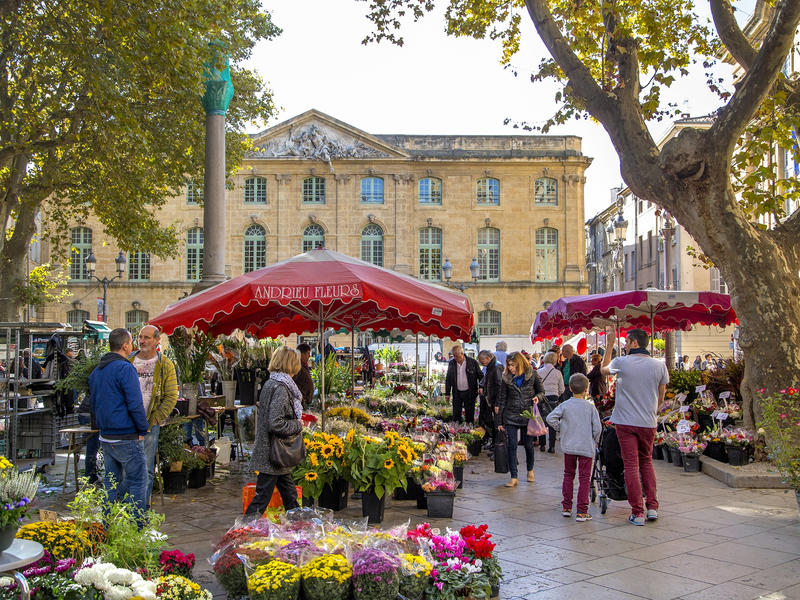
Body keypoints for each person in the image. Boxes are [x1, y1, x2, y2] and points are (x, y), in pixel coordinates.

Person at [601, 328, 668, 526]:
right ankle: (652, 506)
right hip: (648, 422)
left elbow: (603, 369)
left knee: (631, 465)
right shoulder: (659, 365)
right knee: (646, 462)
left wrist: (610, 343)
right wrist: (651, 412)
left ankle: (638, 512)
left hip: (625, 421)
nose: (625, 344)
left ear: (634, 343)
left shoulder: (622, 362)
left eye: (627, 341)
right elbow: (662, 397)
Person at [89, 328, 149, 523]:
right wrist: (142, 428)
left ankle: (108, 523)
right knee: (138, 481)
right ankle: (137, 527)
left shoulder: (97, 372)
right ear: (125, 346)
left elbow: (94, 403)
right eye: (131, 342)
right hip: (126, 435)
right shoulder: (125, 368)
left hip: (106, 435)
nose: (133, 346)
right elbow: (135, 403)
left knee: (111, 482)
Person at [246, 346, 304, 516]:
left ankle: (299, 528)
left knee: (290, 496)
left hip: (275, 453)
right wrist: (298, 424)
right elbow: (276, 423)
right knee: (262, 499)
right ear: (291, 364)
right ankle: (242, 532)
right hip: (274, 453)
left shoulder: (271, 383)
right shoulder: (280, 388)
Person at [130, 325, 178, 509]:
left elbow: (171, 395)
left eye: (147, 337)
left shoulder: (164, 364)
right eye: (140, 337)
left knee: (147, 469)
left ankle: (142, 509)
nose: (142, 340)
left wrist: (157, 418)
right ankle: (128, 509)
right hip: (127, 424)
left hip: (149, 424)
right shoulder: (130, 360)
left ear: (157, 341)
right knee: (128, 469)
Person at [546, 373, 601, 522]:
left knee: (568, 475)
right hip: (585, 447)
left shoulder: (565, 405)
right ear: (586, 389)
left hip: (569, 446)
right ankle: (582, 510)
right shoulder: (590, 408)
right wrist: (594, 440)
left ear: (569, 388)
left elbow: (550, 418)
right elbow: (597, 428)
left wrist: (561, 428)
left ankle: (567, 507)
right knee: (584, 478)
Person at [496, 352, 544, 486]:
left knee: (529, 445)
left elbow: (541, 391)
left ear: (520, 363)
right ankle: (514, 476)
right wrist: (499, 421)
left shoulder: (532, 375)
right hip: (511, 414)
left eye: (513, 365)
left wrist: (537, 398)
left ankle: (530, 469)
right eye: (509, 365)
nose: (510, 368)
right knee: (512, 445)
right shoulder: (506, 378)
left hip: (527, 414)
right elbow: (502, 399)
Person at [444, 345, 482, 423]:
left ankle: (469, 429)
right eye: (454, 356)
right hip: (457, 392)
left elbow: (481, 376)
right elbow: (448, 379)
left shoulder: (472, 362)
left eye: (457, 356)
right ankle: (456, 431)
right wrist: (447, 393)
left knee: (469, 414)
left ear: (462, 354)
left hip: (470, 392)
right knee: (456, 414)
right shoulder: (452, 363)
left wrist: (481, 387)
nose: (455, 358)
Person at [537, 351, 565, 453]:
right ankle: (552, 446)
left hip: (542, 398)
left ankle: (542, 444)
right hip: (553, 398)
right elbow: (561, 389)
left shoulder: (539, 372)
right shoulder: (558, 373)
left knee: (541, 421)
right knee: (552, 421)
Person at [477, 350, 502, 452]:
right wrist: (482, 386)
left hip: (495, 400)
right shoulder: (491, 366)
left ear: (488, 358)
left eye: (482, 361)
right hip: (490, 399)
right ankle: (494, 443)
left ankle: (497, 446)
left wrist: (497, 403)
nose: (481, 363)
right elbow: (486, 380)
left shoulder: (496, 367)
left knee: (496, 423)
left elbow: (499, 386)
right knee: (490, 421)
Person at [293, 343, 315, 409]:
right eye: (308, 353)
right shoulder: (297, 366)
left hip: (306, 402)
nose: (309, 356)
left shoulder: (304, 365)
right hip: (301, 403)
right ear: (302, 354)